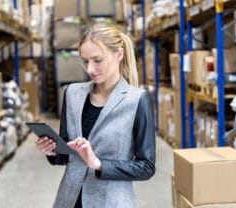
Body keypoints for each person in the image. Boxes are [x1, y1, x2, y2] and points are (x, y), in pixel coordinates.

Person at [35, 23, 156, 208]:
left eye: (97, 60)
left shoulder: (137, 100)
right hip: (69, 200)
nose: (90, 69)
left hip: (111, 201)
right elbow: (66, 154)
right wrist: (52, 151)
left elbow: (146, 167)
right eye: (85, 61)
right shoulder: (72, 93)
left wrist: (99, 164)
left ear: (119, 55)